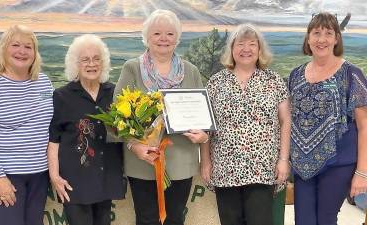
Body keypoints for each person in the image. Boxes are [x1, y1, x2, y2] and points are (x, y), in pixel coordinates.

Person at [114, 9, 208, 225]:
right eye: (157, 34)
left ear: (177, 38)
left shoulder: (191, 71)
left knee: (175, 219)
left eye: (169, 34)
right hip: (143, 161)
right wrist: (134, 146)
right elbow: (116, 116)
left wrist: (203, 135)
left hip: (182, 161)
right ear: (146, 37)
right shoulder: (132, 69)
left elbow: (202, 117)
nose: (163, 39)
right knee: (146, 219)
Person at [200, 23, 291, 225]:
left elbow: (285, 122)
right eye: (240, 44)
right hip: (225, 167)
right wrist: (205, 161)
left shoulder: (274, 80)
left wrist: (283, 159)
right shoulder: (216, 82)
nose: (246, 49)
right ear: (232, 49)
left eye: (252, 44)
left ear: (260, 50)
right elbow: (206, 126)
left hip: (262, 167)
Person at [0, 25, 53, 225]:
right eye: (15, 45)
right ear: (3, 49)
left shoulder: (44, 83)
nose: (22, 51)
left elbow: (51, 124)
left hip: (39, 175)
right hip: (4, 175)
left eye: (28, 47)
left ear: (35, 52)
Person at [287, 12, 367, 225]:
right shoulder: (295, 75)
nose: (321, 39)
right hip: (302, 166)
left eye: (328, 33)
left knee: (325, 220)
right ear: (308, 38)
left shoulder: (352, 74)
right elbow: (287, 119)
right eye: (316, 33)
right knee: (303, 221)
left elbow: (364, 127)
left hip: (338, 164)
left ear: (336, 38)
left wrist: (362, 172)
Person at [47, 34, 126, 225]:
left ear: (104, 62)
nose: (92, 64)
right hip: (75, 181)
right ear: (76, 64)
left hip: (107, 176)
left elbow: (125, 134)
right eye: (85, 59)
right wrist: (54, 176)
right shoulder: (62, 96)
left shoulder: (115, 93)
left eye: (96, 58)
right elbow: (53, 141)